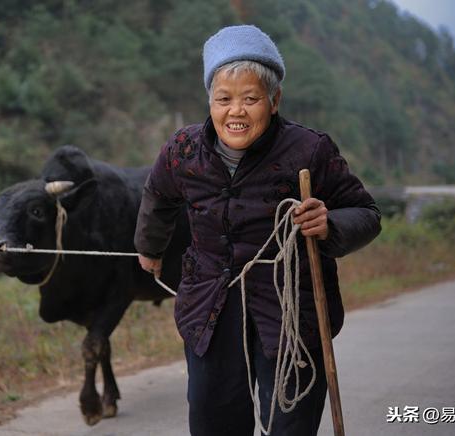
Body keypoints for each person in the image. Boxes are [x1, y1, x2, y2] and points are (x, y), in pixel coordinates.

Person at [134, 25, 381, 436]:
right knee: (214, 421)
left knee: (291, 424)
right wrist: (149, 247)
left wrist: (329, 222)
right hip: (209, 308)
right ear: (209, 101)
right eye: (223, 99)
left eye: (250, 99)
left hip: (290, 311)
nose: (236, 111)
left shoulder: (309, 150)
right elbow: (158, 196)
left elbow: (366, 212)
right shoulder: (183, 150)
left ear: (274, 100)